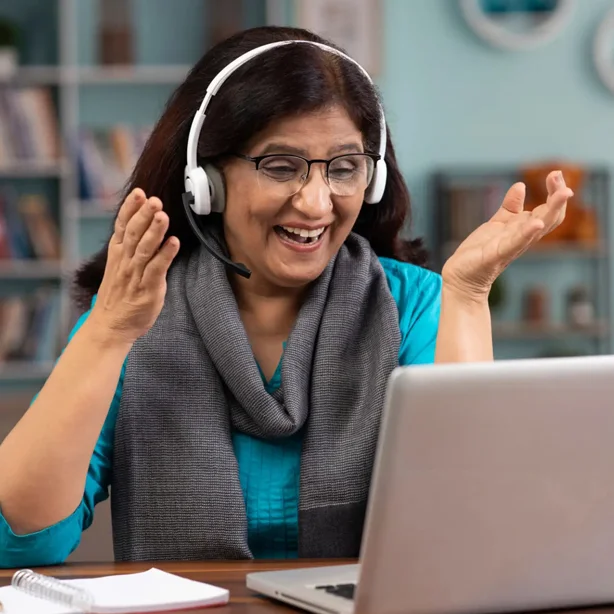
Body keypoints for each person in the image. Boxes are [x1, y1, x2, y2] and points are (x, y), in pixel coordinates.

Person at [0, 26, 571, 567]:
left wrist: (468, 295)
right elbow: (21, 541)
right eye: (281, 166)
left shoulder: (415, 306)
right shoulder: (128, 315)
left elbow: (465, 529)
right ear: (206, 182)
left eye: (344, 168)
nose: (317, 204)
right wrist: (108, 332)